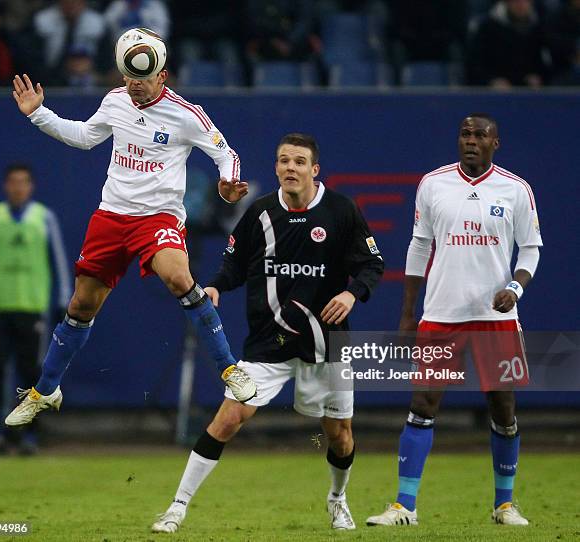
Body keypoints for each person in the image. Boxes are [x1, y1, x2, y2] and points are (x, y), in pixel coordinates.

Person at [4, 31, 257, 428]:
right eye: (129, 78)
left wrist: (228, 183)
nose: (135, 85)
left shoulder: (186, 114)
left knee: (177, 277)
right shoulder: (115, 101)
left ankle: (229, 368)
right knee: (80, 306)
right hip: (111, 216)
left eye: (143, 78)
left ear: (164, 76)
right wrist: (39, 114)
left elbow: (225, 153)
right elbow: (86, 137)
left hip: (158, 216)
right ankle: (45, 389)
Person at [152, 133, 385, 533]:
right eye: (283, 161)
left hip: (327, 342)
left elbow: (372, 265)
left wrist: (351, 293)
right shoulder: (258, 213)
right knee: (227, 419)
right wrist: (215, 286)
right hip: (267, 343)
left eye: (299, 161)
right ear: (276, 167)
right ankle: (176, 507)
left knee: (339, 435)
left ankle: (337, 499)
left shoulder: (341, 211)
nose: (290, 168)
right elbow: (234, 265)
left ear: (314, 169)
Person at [366, 114, 542, 527]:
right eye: (465, 134)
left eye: (480, 135)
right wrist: (409, 313)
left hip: (495, 319)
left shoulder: (516, 190)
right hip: (441, 315)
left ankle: (504, 505)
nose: (471, 140)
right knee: (422, 404)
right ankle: (404, 506)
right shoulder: (433, 184)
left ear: (495, 143)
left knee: (503, 408)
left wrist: (514, 289)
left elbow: (530, 249)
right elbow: (418, 245)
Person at [0, 164, 71, 454]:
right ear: (5, 186)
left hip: (31, 307)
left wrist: (63, 300)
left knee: (30, 374)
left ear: (31, 186)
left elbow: (59, 263)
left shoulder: (43, 218)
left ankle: (28, 435)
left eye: (23, 182)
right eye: (13, 182)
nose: (18, 187)